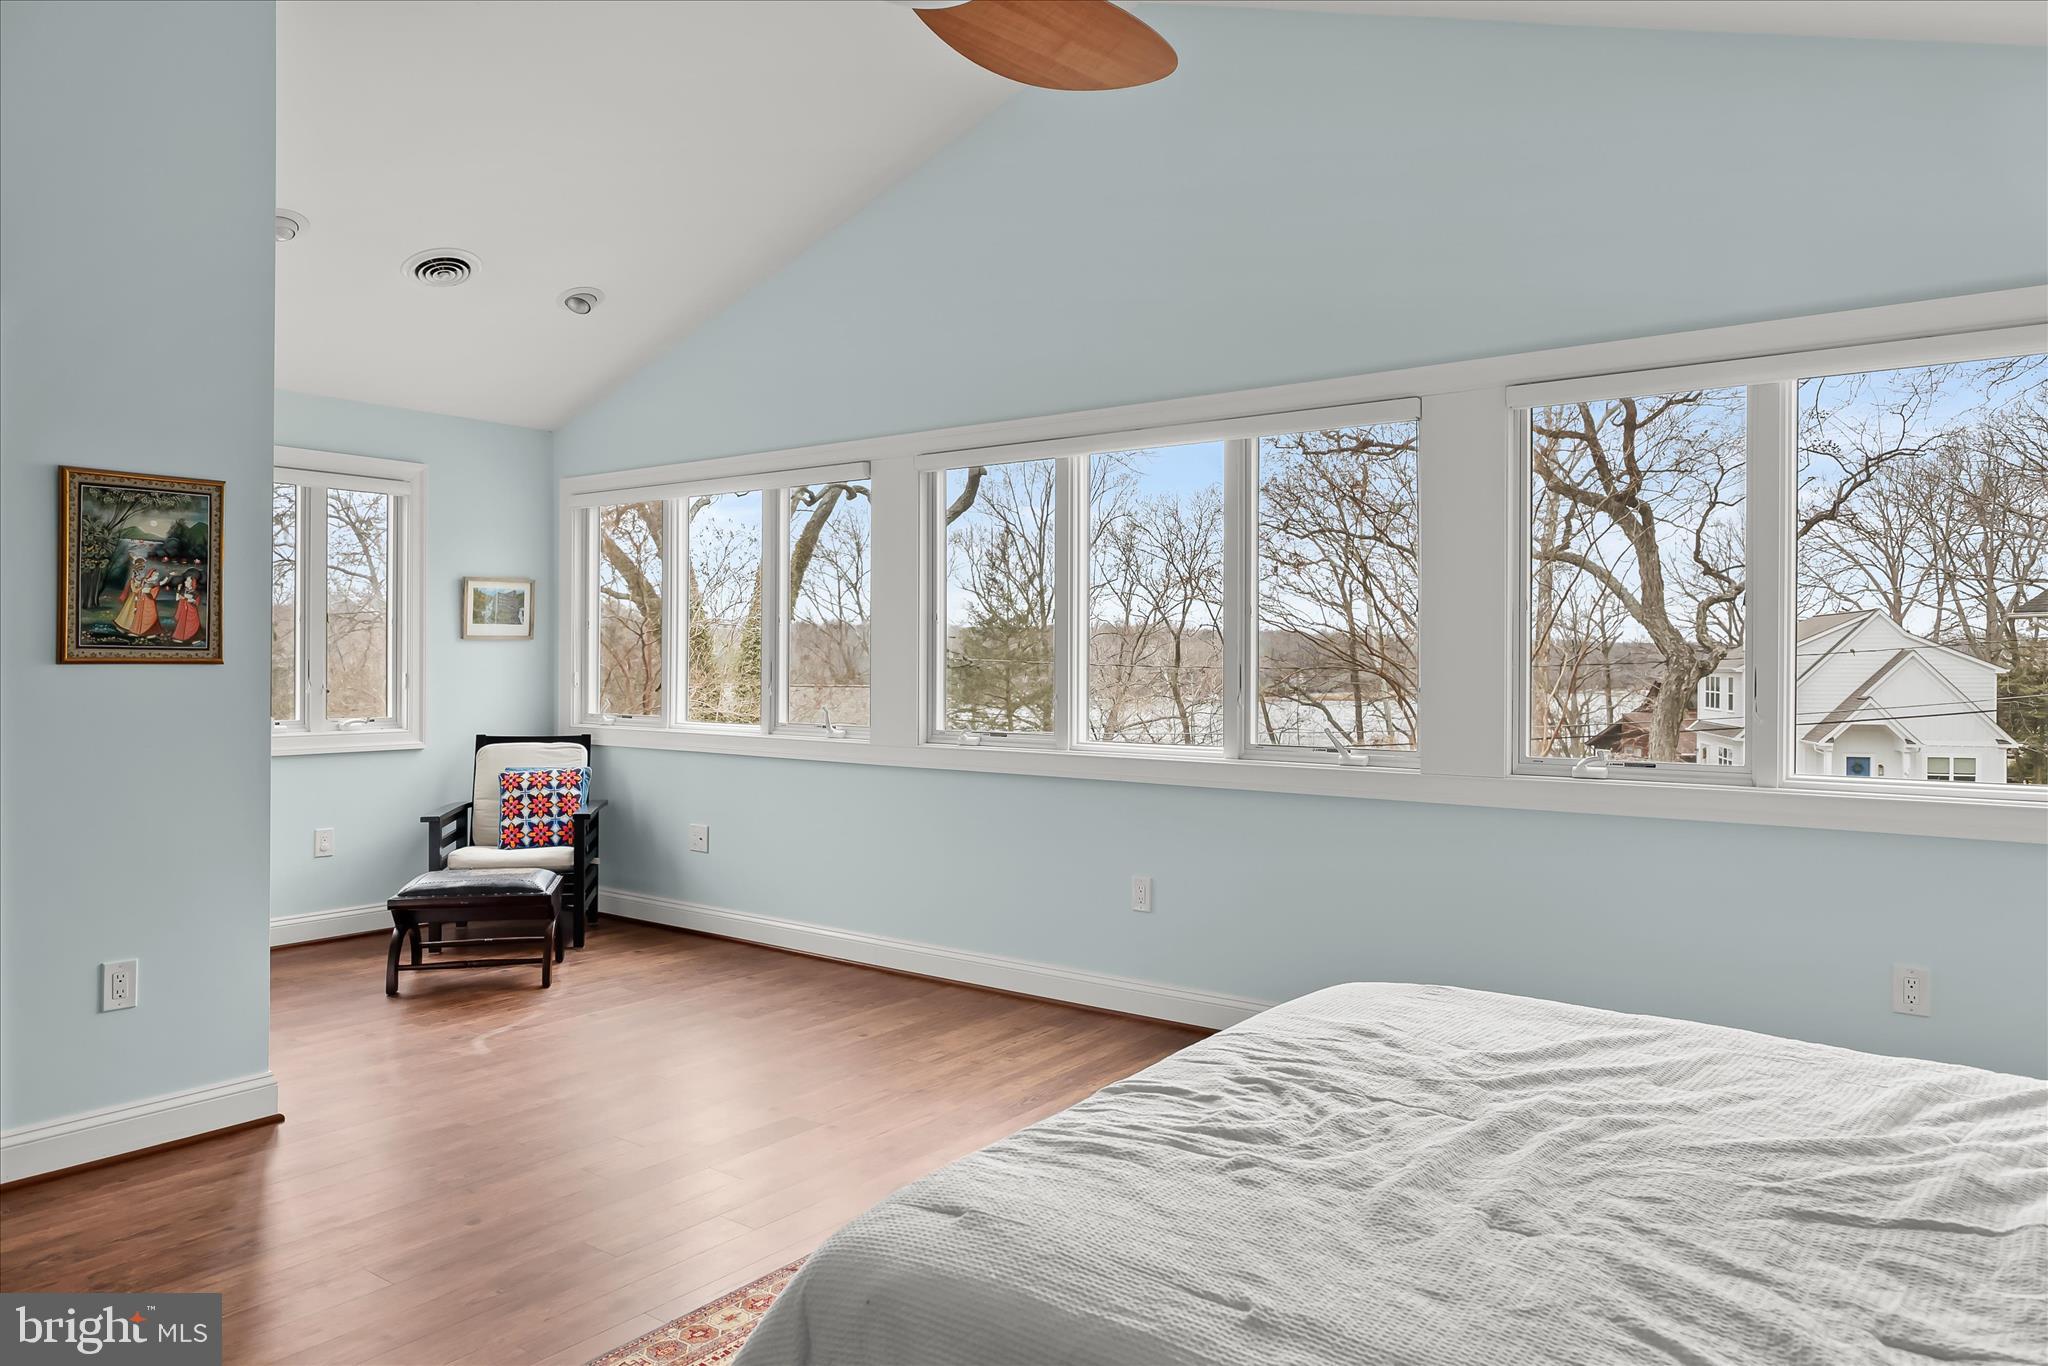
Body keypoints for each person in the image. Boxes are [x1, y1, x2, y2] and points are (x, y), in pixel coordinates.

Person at [112, 558, 163, 636]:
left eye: (140, 571)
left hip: (139, 597)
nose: (139, 574)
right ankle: (125, 627)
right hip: (133, 599)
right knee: (129, 613)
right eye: (138, 572)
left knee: (135, 614)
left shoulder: (141, 579)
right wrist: (141, 587)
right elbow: (134, 590)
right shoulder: (133, 580)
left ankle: (134, 628)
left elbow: (145, 583)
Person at [172, 574, 202, 643]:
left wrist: (185, 598)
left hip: (191, 612)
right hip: (184, 611)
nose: (185, 582)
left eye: (187, 581)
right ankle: (180, 638)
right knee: (182, 624)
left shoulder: (195, 592)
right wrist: (178, 589)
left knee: (192, 625)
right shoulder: (184, 590)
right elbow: (177, 599)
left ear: (192, 583)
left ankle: (194, 639)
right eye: (186, 580)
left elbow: (194, 601)